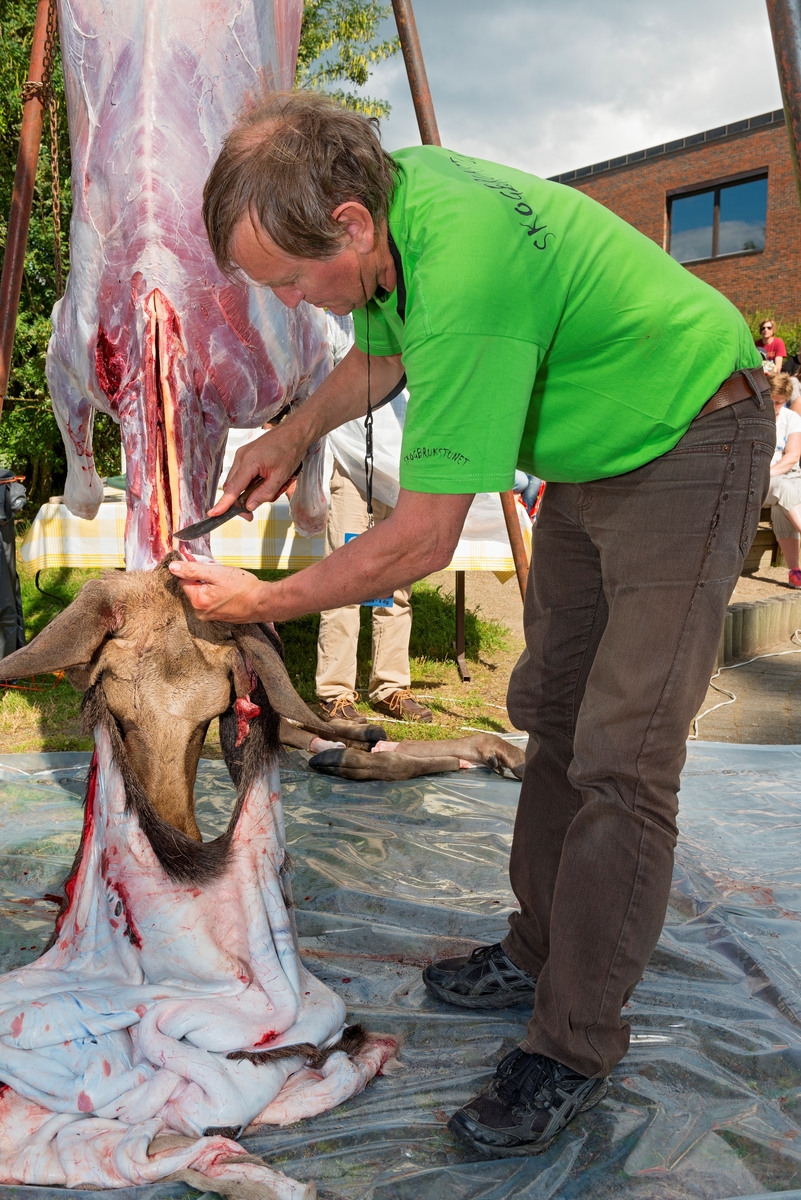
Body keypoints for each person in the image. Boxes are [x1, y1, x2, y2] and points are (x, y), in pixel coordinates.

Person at [169, 93, 774, 1159]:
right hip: (597, 452)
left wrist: (257, 604)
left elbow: (417, 544)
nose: (296, 300)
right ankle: (542, 947)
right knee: (550, 710)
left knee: (625, 756)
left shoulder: (465, 271)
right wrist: (294, 435)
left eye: (289, 279)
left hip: (691, 432)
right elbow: (375, 354)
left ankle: (574, 1042)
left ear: (349, 225)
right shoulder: (397, 215)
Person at [317, 315, 432, 724]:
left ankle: (390, 687)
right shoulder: (338, 313)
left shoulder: (410, 302)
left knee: (397, 580)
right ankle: (334, 693)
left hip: (404, 462)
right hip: (353, 460)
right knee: (345, 578)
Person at [765, 373, 801, 588]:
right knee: (784, 488)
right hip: (763, 482)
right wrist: (766, 474)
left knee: (782, 505)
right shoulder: (757, 419)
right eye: (771, 402)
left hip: (785, 476)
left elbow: (793, 455)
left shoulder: (792, 418)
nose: (774, 407)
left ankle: (795, 572)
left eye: (779, 403)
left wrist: (770, 472)